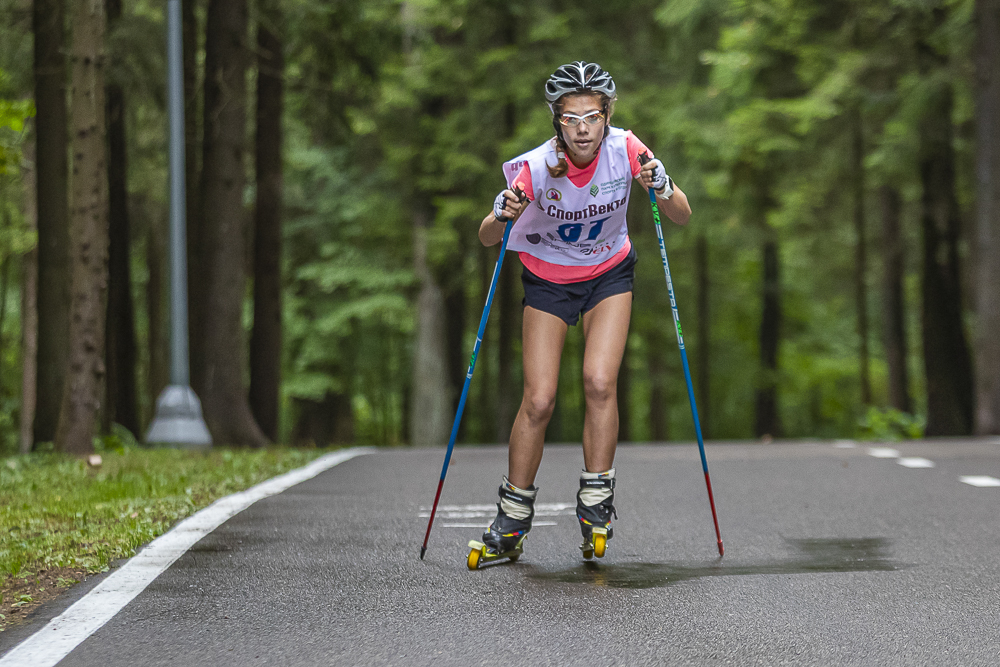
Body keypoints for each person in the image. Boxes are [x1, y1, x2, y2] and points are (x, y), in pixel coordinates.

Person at [475, 61, 692, 560]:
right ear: (556, 119)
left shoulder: (627, 149)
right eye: (570, 118)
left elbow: (680, 214)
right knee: (540, 400)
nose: (583, 129)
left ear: (607, 114)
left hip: (609, 274)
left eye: (592, 116)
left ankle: (596, 502)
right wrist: (499, 211)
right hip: (548, 280)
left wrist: (661, 184)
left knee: (599, 381)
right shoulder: (535, 167)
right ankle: (512, 517)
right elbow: (488, 236)